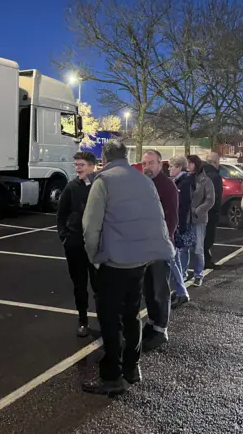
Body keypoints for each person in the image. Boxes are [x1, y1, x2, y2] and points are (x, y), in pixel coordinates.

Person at [82, 140, 173, 395]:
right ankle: (132, 367)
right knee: (132, 313)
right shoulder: (144, 180)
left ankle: (111, 375)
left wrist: (93, 257)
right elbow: (158, 218)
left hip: (114, 261)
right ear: (126, 156)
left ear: (104, 159)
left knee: (110, 319)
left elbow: (91, 227)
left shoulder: (104, 181)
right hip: (140, 260)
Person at [57, 151, 98, 338]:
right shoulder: (71, 187)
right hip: (75, 244)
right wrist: (64, 236)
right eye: (76, 165)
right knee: (79, 285)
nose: (78, 168)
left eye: (81, 164)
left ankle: (105, 320)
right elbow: (61, 214)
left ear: (92, 165)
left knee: (100, 285)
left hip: (97, 245)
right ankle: (83, 321)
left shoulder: (101, 185)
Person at [141, 150, 179, 352]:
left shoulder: (167, 186)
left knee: (160, 289)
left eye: (151, 163)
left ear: (159, 164)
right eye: (144, 163)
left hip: (160, 246)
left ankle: (161, 329)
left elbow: (172, 218)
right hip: (144, 246)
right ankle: (152, 322)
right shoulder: (144, 184)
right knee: (148, 288)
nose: (147, 167)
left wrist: (166, 242)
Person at [168, 155, 193, 308]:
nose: (169, 169)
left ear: (178, 167)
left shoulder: (183, 183)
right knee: (174, 259)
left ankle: (182, 292)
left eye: (171, 166)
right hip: (177, 225)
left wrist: (179, 226)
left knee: (173, 259)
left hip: (177, 225)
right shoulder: (179, 181)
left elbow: (182, 207)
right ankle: (179, 290)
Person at [186, 155, 215, 287]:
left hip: (198, 219)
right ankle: (183, 273)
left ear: (196, 165)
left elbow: (210, 200)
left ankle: (198, 275)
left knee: (198, 248)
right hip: (185, 218)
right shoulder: (185, 178)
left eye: (190, 163)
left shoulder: (205, 181)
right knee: (184, 248)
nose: (188, 165)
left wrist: (197, 211)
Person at [202, 152, 223, 269]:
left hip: (201, 211)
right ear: (215, 162)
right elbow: (215, 196)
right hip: (211, 211)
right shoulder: (215, 176)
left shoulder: (201, 173)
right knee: (208, 237)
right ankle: (206, 261)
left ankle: (204, 260)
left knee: (202, 236)